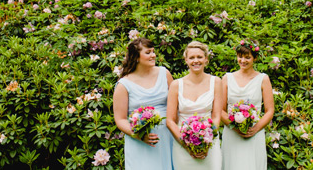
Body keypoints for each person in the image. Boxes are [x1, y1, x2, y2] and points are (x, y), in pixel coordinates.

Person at [113, 38, 174, 170]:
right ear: (136, 57)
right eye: (148, 52)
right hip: (139, 142)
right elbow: (120, 119)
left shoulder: (165, 74)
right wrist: (138, 135)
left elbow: (175, 106)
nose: (153, 55)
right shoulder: (124, 85)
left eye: (153, 52)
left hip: (166, 139)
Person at [167, 41, 222, 169]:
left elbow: (216, 116)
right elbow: (170, 120)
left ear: (206, 59)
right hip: (182, 145)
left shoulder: (216, 82)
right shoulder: (176, 85)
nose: (195, 61)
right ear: (186, 60)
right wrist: (187, 144)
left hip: (209, 144)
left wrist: (206, 143)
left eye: (199, 57)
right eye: (191, 57)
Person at [221, 39, 274, 170]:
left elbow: (270, 110)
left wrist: (255, 129)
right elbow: (220, 110)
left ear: (254, 58)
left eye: (247, 57)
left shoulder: (263, 79)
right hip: (232, 133)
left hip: (254, 133)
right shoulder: (227, 78)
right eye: (240, 57)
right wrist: (234, 127)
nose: (243, 61)